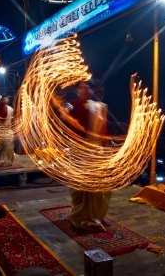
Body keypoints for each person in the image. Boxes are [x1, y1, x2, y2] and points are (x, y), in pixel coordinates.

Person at [64, 79, 111, 232]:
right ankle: (81, 218)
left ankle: (97, 215)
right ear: (77, 89)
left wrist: (106, 149)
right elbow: (65, 127)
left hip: (97, 152)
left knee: (100, 187)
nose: (84, 90)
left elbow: (103, 131)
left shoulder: (100, 107)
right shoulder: (71, 105)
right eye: (81, 87)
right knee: (81, 188)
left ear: (91, 91)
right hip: (79, 152)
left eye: (87, 88)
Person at [0, 95, 15, 167]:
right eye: (3, 99)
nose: (5, 100)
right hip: (2, 128)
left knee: (9, 145)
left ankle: (8, 161)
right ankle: (3, 161)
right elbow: (0, 118)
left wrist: (13, 120)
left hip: (8, 129)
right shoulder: (0, 108)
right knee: (4, 145)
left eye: (6, 99)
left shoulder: (10, 108)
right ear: (1, 100)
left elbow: (11, 118)